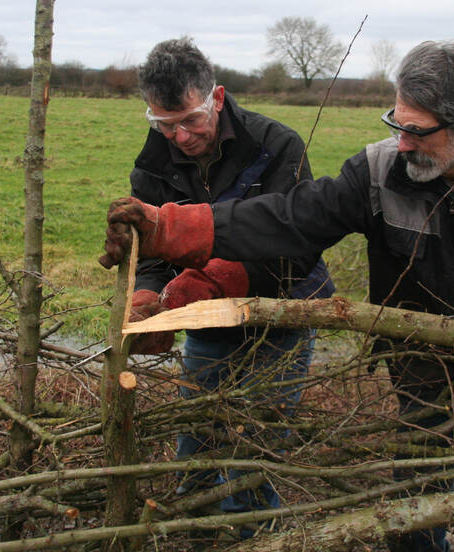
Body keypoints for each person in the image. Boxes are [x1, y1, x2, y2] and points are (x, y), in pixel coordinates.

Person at [100, 39, 454, 551]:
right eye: (395, 122)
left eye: (415, 131)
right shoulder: (380, 172)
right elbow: (293, 220)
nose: (400, 142)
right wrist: (174, 227)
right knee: (413, 509)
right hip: (427, 373)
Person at [117, 37, 334, 531]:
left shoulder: (277, 145)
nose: (179, 137)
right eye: (163, 125)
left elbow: (297, 248)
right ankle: (193, 528)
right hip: (204, 318)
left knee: (255, 443)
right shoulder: (152, 165)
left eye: (190, 120)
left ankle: (251, 536)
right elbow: (150, 249)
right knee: (196, 433)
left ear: (215, 97)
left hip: (282, 309)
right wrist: (148, 296)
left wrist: (220, 278)